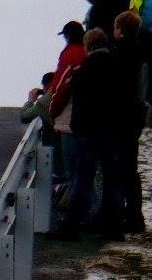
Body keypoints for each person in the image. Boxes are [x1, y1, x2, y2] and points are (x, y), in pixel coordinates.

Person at [62, 28, 124, 241]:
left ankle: (72, 227)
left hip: (88, 132)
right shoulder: (118, 67)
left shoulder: (83, 71)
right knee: (112, 180)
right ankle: (114, 228)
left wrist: (77, 128)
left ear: (87, 46)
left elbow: (77, 102)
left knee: (83, 180)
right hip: (112, 131)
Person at [114, 10, 148, 232]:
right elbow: (141, 89)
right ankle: (135, 216)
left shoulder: (117, 53)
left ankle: (121, 216)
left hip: (120, 116)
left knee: (118, 169)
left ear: (120, 30)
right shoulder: (141, 53)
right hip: (135, 116)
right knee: (130, 170)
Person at [48, 21, 87, 193]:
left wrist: (53, 110)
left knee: (73, 171)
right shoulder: (87, 52)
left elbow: (61, 86)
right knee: (86, 173)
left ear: (68, 36)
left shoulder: (69, 54)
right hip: (88, 119)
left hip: (69, 118)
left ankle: (76, 206)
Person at [21, 71, 57, 146]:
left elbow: (24, 117)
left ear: (46, 86)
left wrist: (30, 100)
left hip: (56, 143)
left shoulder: (43, 103)